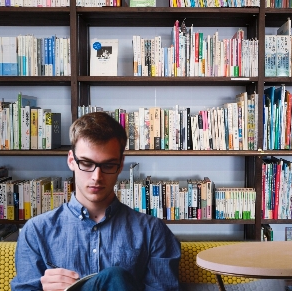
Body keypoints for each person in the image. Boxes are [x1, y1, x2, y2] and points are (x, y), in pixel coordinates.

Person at [11, 112, 181, 291]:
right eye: (86, 163)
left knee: (115, 277)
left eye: (108, 165)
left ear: (121, 164)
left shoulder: (153, 232)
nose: (96, 177)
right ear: (71, 160)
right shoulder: (36, 231)